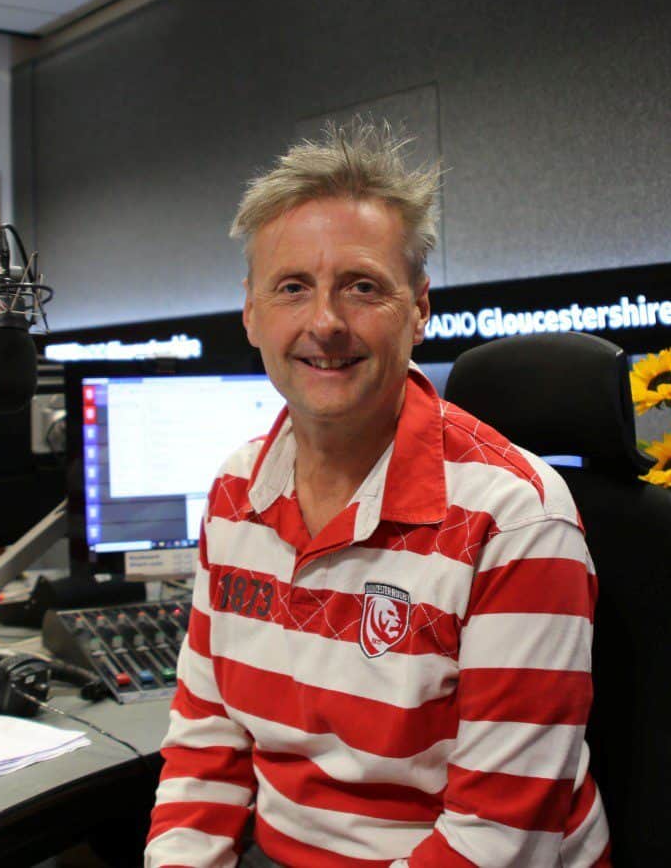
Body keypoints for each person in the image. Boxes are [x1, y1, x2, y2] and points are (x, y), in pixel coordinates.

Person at [144, 121, 610, 867]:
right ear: (251, 313)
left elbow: (495, 839)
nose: (325, 323)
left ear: (419, 308)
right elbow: (208, 738)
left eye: (362, 287)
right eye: (292, 288)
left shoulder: (517, 519)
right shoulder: (236, 491)